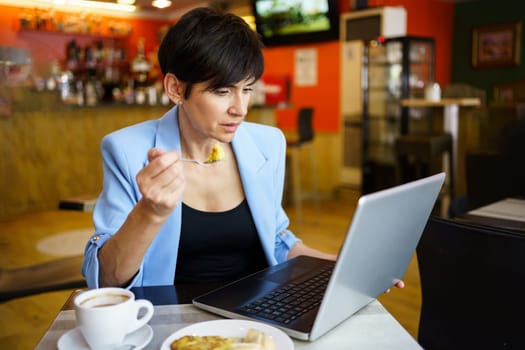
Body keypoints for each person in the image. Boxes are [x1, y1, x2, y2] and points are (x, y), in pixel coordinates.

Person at [82, 7, 403, 291]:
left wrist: (346, 269)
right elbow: (105, 279)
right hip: (170, 321)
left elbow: (276, 243)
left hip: (259, 317)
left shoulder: (267, 144)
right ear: (175, 88)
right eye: (222, 91)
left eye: (247, 89)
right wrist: (149, 213)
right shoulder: (126, 150)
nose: (240, 108)